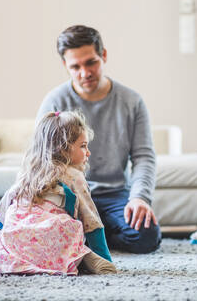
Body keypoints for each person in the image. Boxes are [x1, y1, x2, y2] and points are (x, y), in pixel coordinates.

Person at [36, 25, 161, 254]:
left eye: (91, 62)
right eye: (75, 66)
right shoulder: (54, 101)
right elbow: (41, 159)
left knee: (147, 236)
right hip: (69, 195)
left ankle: (91, 238)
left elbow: (144, 157)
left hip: (115, 196)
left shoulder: (132, 101)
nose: (85, 73)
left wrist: (140, 198)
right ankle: (92, 237)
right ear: (66, 66)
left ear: (103, 55)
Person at [0, 111, 116, 275]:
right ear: (63, 148)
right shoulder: (74, 176)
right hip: (52, 237)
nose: (88, 152)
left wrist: (19, 233)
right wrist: (105, 258)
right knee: (70, 231)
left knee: (4, 240)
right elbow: (92, 222)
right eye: (83, 146)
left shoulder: (27, 174)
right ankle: (86, 257)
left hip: (20, 241)